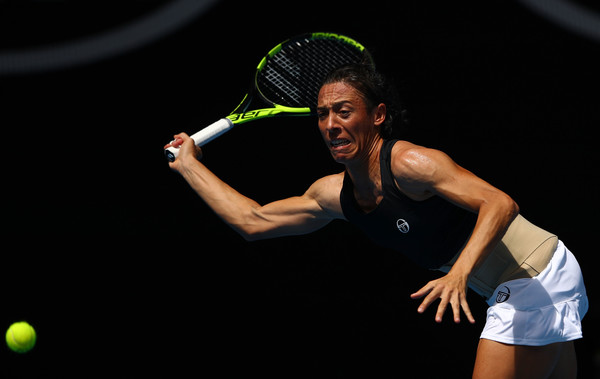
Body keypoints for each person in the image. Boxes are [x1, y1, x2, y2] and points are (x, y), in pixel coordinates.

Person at [165, 64, 588, 378]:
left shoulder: (411, 164)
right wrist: (188, 166)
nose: (331, 125)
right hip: (524, 281)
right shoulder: (333, 195)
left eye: (344, 112)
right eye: (322, 115)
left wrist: (458, 275)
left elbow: (499, 203)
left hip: (536, 276)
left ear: (378, 115)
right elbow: (252, 220)